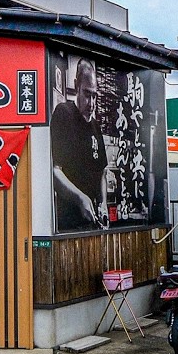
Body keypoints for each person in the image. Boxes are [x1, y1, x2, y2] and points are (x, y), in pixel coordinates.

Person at [52, 57, 108, 231]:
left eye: (94, 96)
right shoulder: (64, 113)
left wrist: (104, 203)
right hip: (69, 222)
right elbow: (54, 170)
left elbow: (102, 172)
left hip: (93, 222)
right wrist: (80, 198)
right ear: (76, 86)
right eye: (87, 94)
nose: (91, 103)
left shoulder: (95, 126)